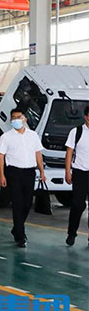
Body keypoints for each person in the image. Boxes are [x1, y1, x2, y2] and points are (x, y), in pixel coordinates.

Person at [0, 108, 46, 248]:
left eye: (19, 117)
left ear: (25, 118)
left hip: (29, 172)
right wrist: (2, 175)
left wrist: (42, 171)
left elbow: (38, 154)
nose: (16, 119)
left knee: (27, 203)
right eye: (13, 117)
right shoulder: (6, 137)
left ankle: (16, 227)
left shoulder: (33, 135)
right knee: (17, 203)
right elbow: (1, 156)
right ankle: (20, 235)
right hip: (14, 172)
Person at [64, 105, 89, 246]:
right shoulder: (76, 132)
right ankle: (72, 233)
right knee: (78, 205)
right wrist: (67, 171)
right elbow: (69, 152)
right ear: (86, 117)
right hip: (80, 173)